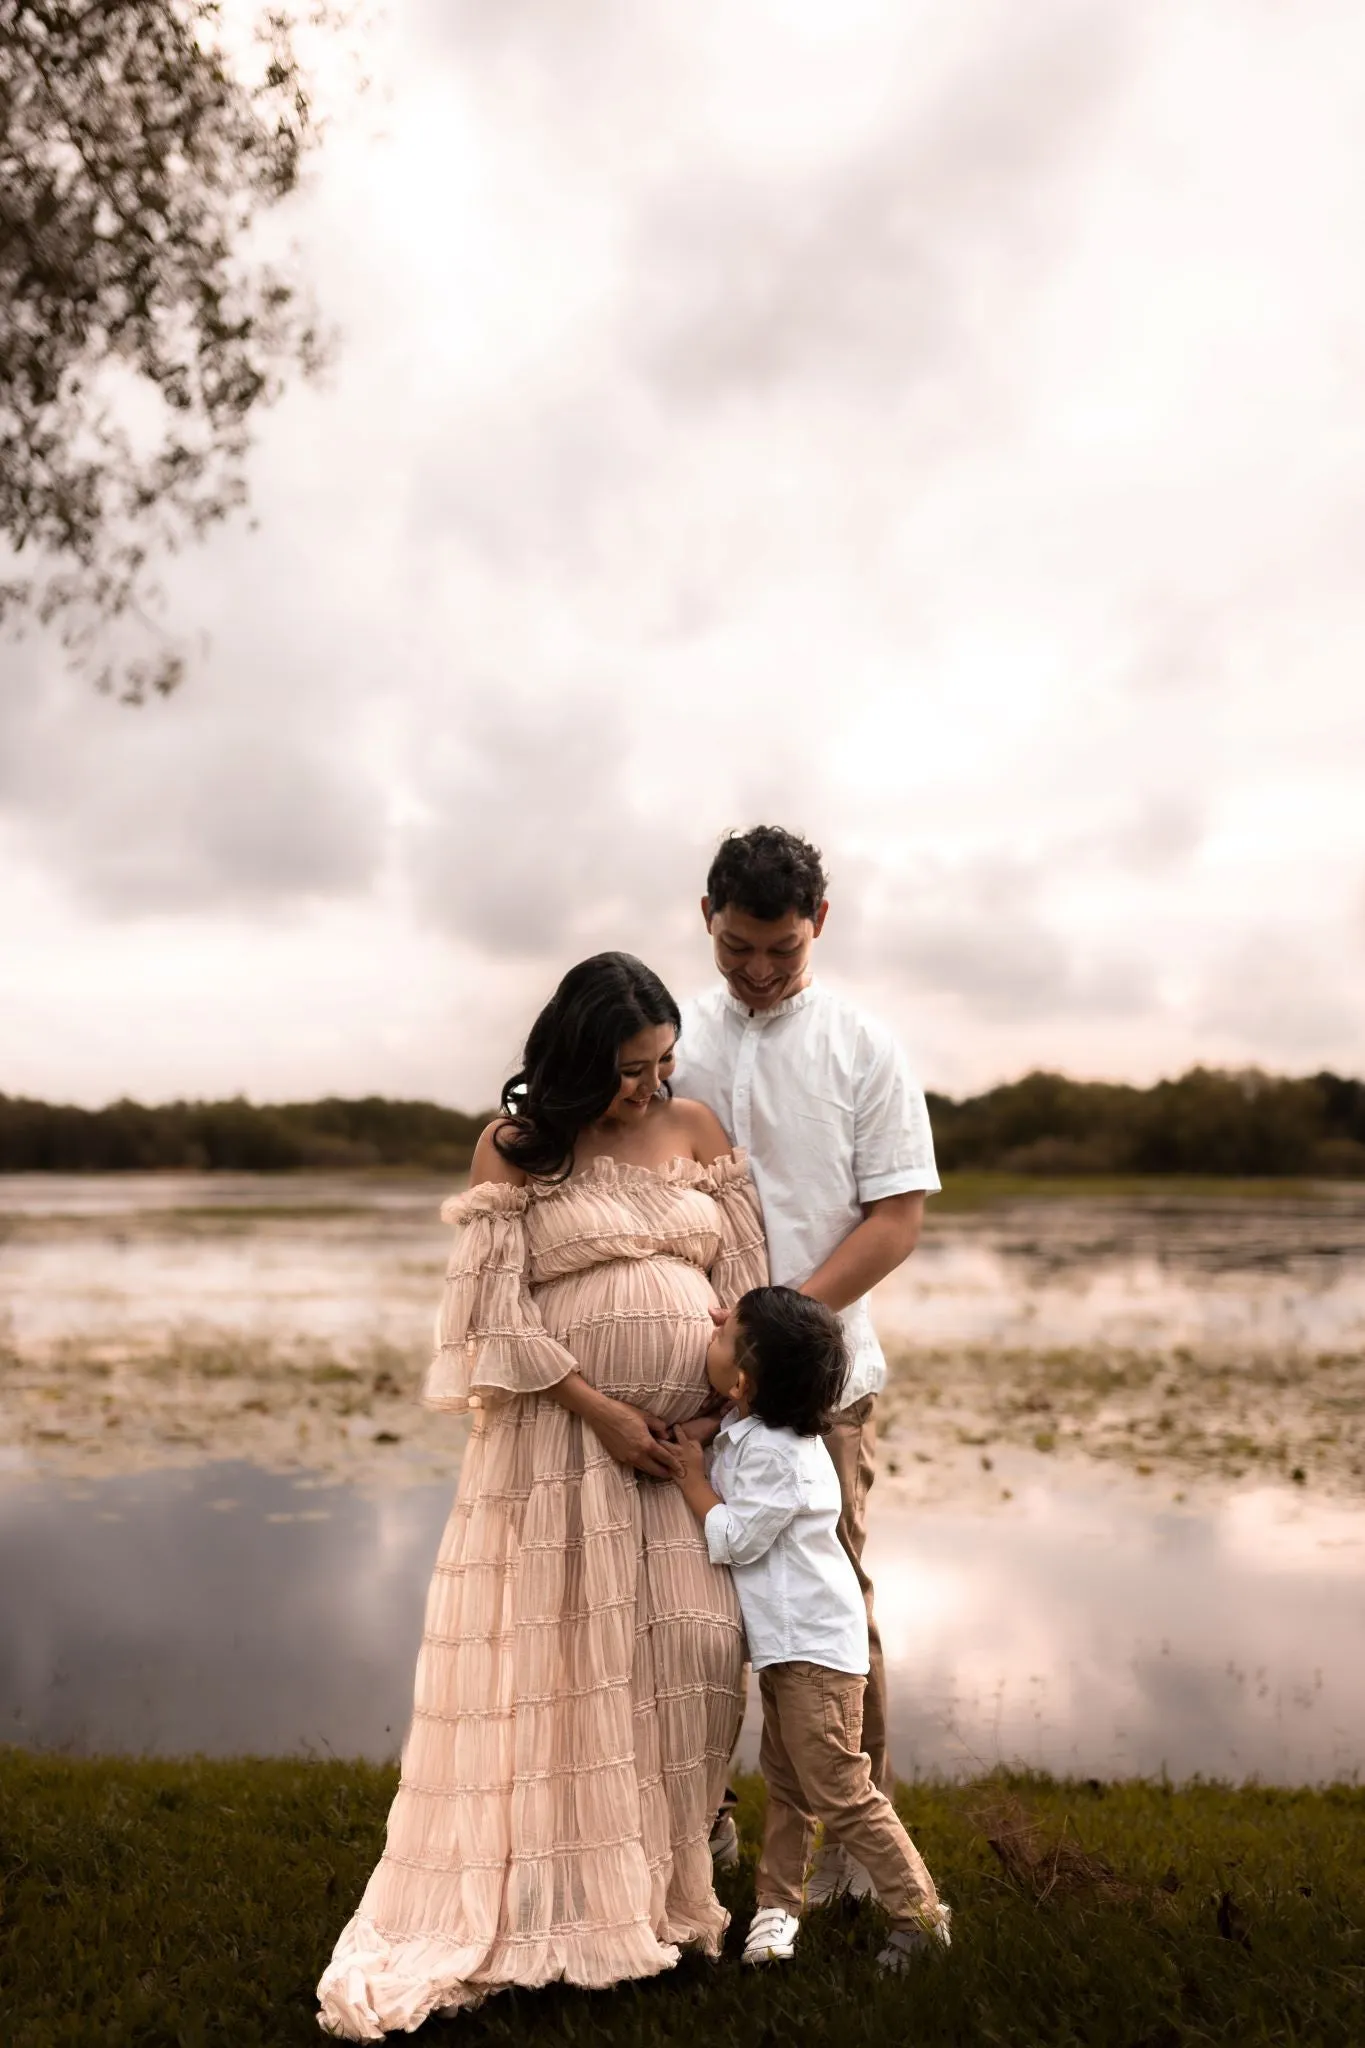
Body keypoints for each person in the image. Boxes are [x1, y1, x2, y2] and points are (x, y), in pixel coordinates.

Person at [317, 953, 768, 2039]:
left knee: (698, 1649)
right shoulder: (519, 1150)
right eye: (626, 1069)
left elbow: (748, 1290)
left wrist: (715, 1412)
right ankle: (561, 1895)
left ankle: (667, 1876)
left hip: (688, 1452)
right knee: (567, 1663)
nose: (649, 1088)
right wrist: (605, 1408)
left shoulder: (698, 1133)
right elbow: (490, 1318)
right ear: (574, 1058)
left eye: (661, 1063)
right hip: (560, 1443)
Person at [672, 825, 939, 1902]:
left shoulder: (866, 1044)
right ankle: (705, 1828)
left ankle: (853, 1859)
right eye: (740, 947)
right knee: (686, 1615)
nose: (760, 969)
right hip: (685, 1377)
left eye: (782, 948)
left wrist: (781, 1323)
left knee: (829, 1617)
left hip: (822, 1390)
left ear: (817, 924)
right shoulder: (672, 1033)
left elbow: (898, 1219)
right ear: (708, 919)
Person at [672, 1286, 951, 1971]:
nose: (710, 1331)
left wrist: (690, 1480)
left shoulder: (779, 1456)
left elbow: (734, 1537)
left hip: (814, 1653)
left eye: (723, 1331)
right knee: (788, 1782)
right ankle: (777, 1906)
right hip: (790, 1649)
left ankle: (918, 1914)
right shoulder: (765, 1434)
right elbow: (738, 1455)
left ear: (743, 1379)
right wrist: (710, 1434)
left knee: (838, 1789)